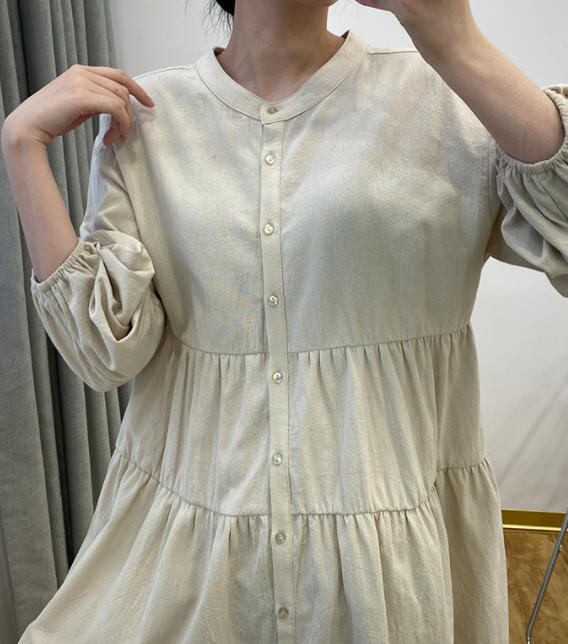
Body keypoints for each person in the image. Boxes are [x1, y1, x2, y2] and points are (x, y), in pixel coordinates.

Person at [2, 0, 567, 642]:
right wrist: (22, 146)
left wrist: (458, 43)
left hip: (384, 568)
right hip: (190, 557)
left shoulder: (442, 96)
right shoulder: (150, 117)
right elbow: (103, 351)